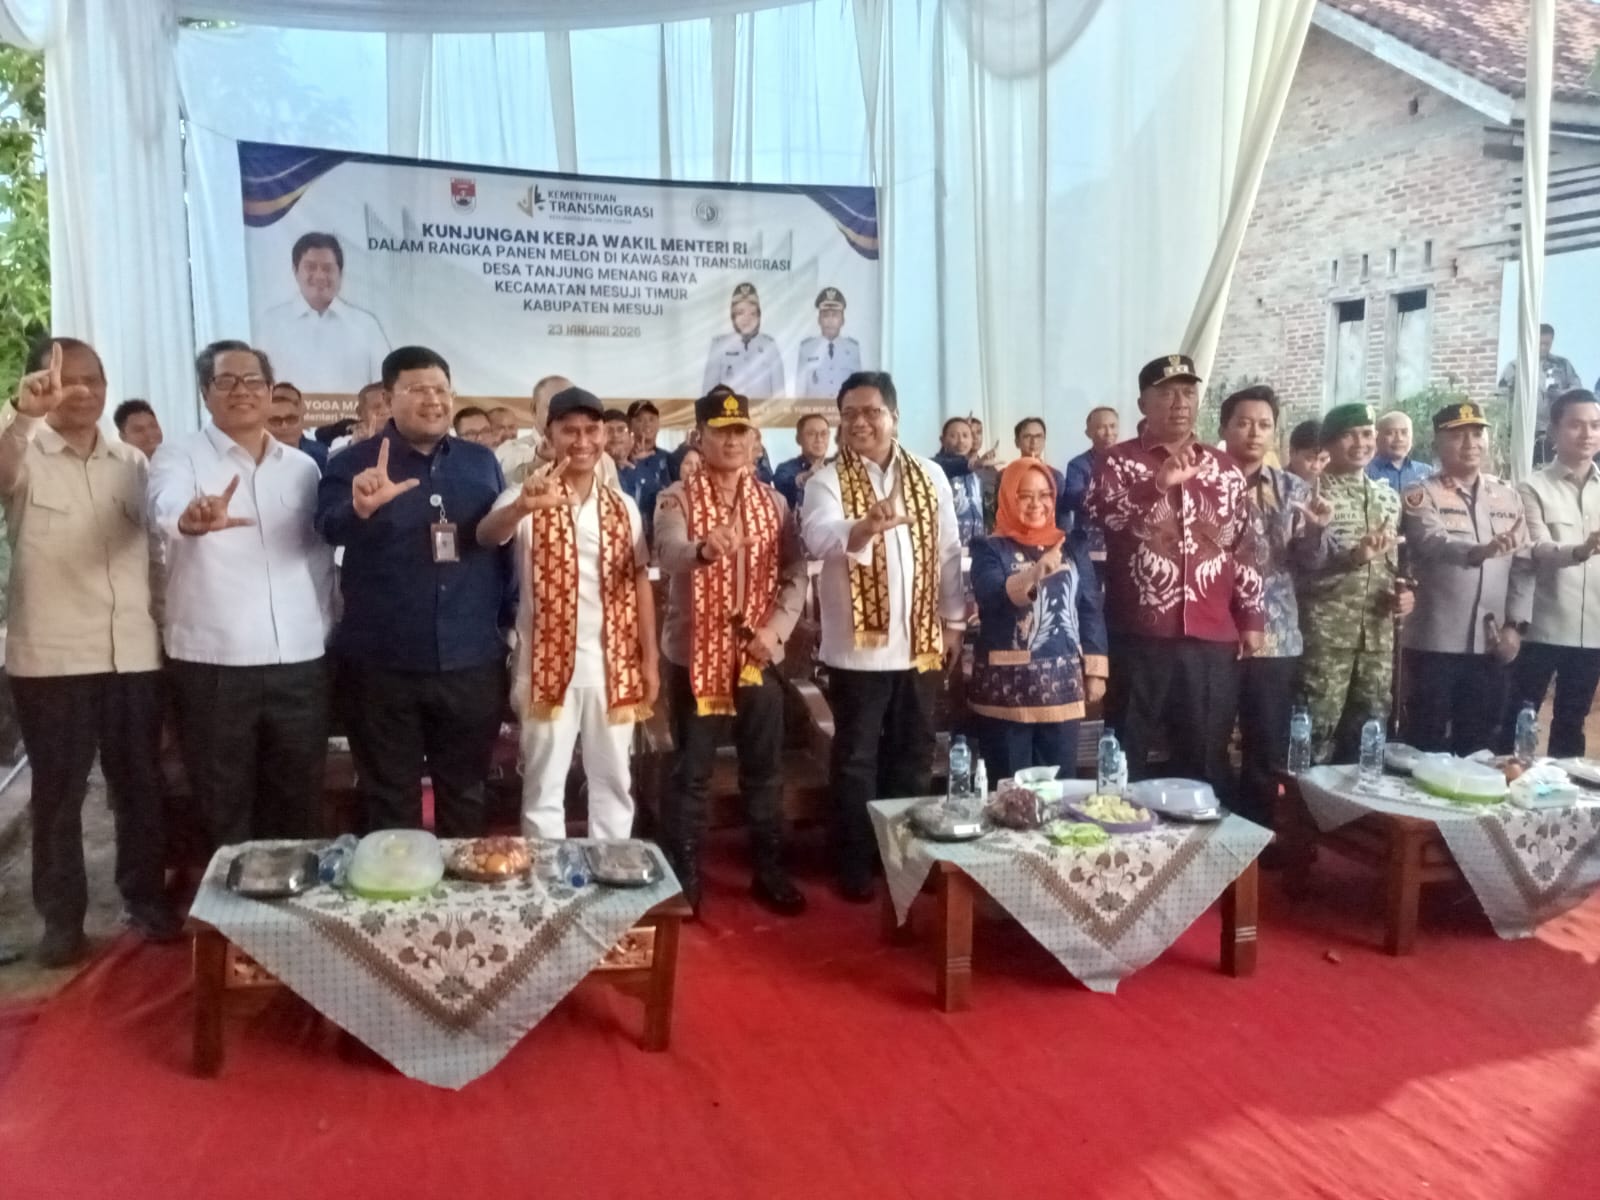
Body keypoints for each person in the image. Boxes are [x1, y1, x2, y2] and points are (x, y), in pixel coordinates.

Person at [1, 337, 176, 965]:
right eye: (65, 379)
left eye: (93, 379)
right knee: (59, 794)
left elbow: (154, 554)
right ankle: (62, 920)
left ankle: (145, 899)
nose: (82, 391)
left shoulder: (131, 461)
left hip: (133, 651)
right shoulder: (21, 449)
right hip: (54, 656)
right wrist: (19, 415)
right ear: (38, 385)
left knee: (139, 784)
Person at [316, 346, 510, 836]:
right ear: (388, 398)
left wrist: (506, 626)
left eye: (441, 389)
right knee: (390, 800)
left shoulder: (481, 462)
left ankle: (462, 887)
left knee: (466, 794)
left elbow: (501, 546)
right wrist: (360, 509)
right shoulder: (354, 463)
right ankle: (398, 886)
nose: (433, 400)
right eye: (418, 389)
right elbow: (327, 527)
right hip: (382, 665)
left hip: (470, 660)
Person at [149, 341, 336, 846]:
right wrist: (192, 518)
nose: (241, 391)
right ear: (205, 393)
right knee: (223, 805)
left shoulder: (302, 467)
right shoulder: (179, 457)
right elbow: (166, 507)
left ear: (270, 391)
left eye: (253, 380)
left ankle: (293, 896)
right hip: (215, 664)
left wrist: (322, 629)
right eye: (226, 381)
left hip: (299, 661)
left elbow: (319, 559)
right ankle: (228, 898)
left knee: (298, 803)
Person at [802, 371, 965, 901]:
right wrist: (864, 527)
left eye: (871, 412)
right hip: (857, 653)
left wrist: (954, 620)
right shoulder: (826, 480)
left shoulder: (929, 475)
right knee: (856, 760)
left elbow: (947, 552)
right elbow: (817, 536)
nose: (860, 422)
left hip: (921, 644)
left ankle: (905, 861)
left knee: (913, 755)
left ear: (894, 417)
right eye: (849, 414)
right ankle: (855, 862)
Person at [477, 386, 657, 841]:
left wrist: (650, 660)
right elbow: (485, 535)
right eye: (569, 431)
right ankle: (548, 876)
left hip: (612, 667)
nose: (582, 441)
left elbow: (638, 581)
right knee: (543, 787)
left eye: (591, 430)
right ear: (548, 435)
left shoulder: (623, 506)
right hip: (544, 667)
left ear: (604, 436)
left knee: (613, 782)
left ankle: (611, 870)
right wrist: (521, 507)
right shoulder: (524, 495)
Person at [654, 389, 808, 915]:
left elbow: (795, 572)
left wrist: (776, 632)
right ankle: (685, 876)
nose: (732, 440)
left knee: (764, 769)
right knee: (692, 773)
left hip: (758, 655)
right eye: (721, 432)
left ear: (754, 438)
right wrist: (703, 549)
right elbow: (668, 552)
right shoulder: (676, 497)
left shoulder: (774, 502)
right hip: (694, 656)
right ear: (699, 437)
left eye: (740, 431)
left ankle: (769, 870)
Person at [1086, 353, 1263, 795]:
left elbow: (1244, 547)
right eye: (1166, 393)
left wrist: (1251, 616)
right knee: (1126, 753)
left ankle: (1201, 837)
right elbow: (1103, 517)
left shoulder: (1225, 469)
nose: (1180, 402)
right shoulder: (1118, 462)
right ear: (1143, 404)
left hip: (1211, 637)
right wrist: (1157, 484)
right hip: (1139, 635)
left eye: (1187, 392)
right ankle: (1120, 835)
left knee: (1205, 756)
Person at [1221, 385, 1331, 825]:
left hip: (1275, 634)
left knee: (1266, 748)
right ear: (1224, 428)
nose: (1254, 432)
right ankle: (1211, 842)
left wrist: (1316, 531)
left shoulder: (1294, 489)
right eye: (1244, 423)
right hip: (1215, 633)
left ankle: (1258, 840)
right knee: (1207, 743)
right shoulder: (1202, 484)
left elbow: (1312, 564)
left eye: (1264, 425)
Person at [1399, 402, 1526, 755]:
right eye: (1457, 435)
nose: (1470, 443)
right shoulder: (1419, 494)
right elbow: (1431, 542)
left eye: (1477, 433)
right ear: (1437, 443)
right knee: (1424, 743)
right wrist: (1479, 551)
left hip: (1491, 643)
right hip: (1434, 643)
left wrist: (1515, 626)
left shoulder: (1507, 495)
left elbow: (1523, 566)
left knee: (1480, 745)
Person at [968, 459, 1106, 782]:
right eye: (1024, 496)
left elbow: (1089, 608)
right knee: (1009, 788)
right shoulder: (989, 548)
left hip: (1064, 688)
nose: (1036, 504)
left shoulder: (1072, 545)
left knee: (1060, 788)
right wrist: (1034, 574)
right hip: (1005, 690)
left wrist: (1096, 671)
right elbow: (991, 596)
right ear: (1007, 497)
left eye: (1044, 495)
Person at [1295, 404, 1414, 763]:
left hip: (1377, 637)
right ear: (1329, 443)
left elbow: (1395, 565)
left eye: (1366, 434)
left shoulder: (1388, 498)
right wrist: (1354, 557)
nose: (1360, 443)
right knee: (1314, 733)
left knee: (1369, 735)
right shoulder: (1309, 494)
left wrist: (1406, 594)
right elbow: (1302, 564)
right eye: (1349, 435)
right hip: (1326, 638)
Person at [1505, 388, 1600, 757]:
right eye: (1576, 425)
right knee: (1520, 717)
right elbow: (1537, 549)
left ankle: (1564, 790)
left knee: (1572, 724)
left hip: (1593, 631)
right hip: (1541, 628)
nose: (1587, 434)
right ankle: (1510, 783)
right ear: (1554, 431)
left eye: (1595, 425)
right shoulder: (1532, 487)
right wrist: (1581, 550)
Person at [255, 232, 390, 396]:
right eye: (310, 267)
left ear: (340, 274)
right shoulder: (271, 323)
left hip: (352, 414)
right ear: (295, 271)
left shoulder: (366, 324)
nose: (319, 276)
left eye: (328, 268)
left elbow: (386, 387)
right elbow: (258, 386)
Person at [1499, 322, 1582, 465]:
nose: (1543, 347)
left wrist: (1561, 394)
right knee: (1527, 469)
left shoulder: (1562, 365)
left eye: (1547, 344)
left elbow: (1578, 391)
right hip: (1526, 431)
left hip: (1556, 430)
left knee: (1555, 469)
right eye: (1540, 343)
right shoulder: (1516, 366)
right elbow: (1501, 397)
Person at [702, 281, 785, 399]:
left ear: (759, 316)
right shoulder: (719, 345)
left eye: (752, 313)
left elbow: (780, 397)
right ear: (733, 316)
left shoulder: (769, 345)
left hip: (762, 411)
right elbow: (707, 396)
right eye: (740, 313)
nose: (747, 319)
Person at [1060, 405, 1119, 562]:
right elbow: (1072, 498)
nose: (1108, 433)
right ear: (1088, 433)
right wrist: (1105, 494)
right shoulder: (1078, 465)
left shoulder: (1128, 462)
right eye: (1101, 427)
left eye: (1113, 426)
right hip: (1090, 546)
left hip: (1123, 546)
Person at [795, 286, 861, 399]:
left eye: (835, 315)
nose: (830, 321)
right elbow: (800, 392)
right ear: (819, 320)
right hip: (815, 409)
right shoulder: (807, 348)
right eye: (825, 316)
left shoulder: (853, 349)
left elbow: (858, 388)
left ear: (842, 320)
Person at [933, 417, 985, 544]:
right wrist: (970, 465)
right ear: (942, 440)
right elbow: (948, 466)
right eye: (953, 436)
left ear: (972, 440)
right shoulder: (936, 466)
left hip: (976, 545)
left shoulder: (978, 472)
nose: (961, 441)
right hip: (947, 545)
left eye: (965, 436)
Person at [1013, 416, 1066, 532]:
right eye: (1027, 437)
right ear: (1017, 442)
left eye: (1038, 436)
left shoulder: (1055, 476)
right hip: (1014, 536)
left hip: (1048, 536)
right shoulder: (1006, 475)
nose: (1034, 442)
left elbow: (1062, 517)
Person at [773, 413, 832, 509]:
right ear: (798, 439)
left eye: (824, 433)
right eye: (811, 434)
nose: (819, 439)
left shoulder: (835, 467)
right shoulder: (785, 469)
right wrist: (808, 476)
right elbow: (785, 487)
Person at [266, 382, 328, 471]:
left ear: (301, 418)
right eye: (276, 420)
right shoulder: (251, 458)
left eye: (291, 419)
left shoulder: (322, 455)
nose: (284, 426)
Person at [1367, 411, 1431, 493]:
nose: (1399, 439)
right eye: (1390, 433)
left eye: (1404, 432)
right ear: (1377, 438)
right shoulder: (1366, 472)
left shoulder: (1426, 472)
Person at [328, 381, 390, 457]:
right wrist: (357, 447)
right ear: (361, 413)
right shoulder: (341, 447)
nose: (385, 411)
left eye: (389, 404)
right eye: (376, 407)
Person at [1285, 419, 1327, 483]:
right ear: (1292, 452)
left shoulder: (1331, 482)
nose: (1316, 467)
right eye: (1310, 459)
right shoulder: (1276, 485)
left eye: (1323, 460)